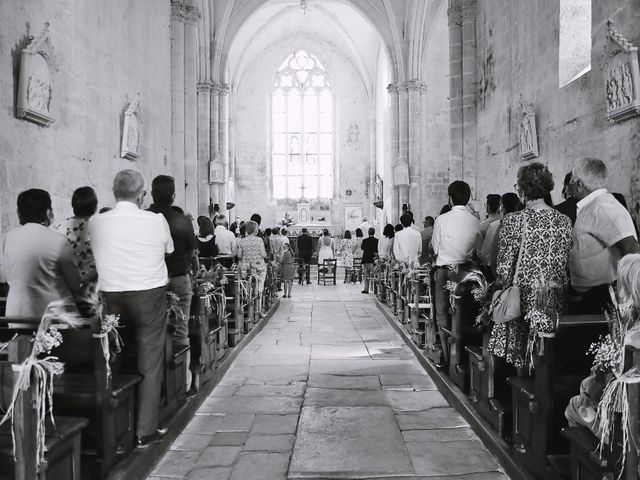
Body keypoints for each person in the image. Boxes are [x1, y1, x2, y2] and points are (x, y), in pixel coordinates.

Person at [90, 170, 174, 447]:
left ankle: (113, 430)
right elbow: (169, 249)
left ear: (114, 193)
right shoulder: (156, 220)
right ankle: (144, 430)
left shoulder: (97, 222)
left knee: (114, 356)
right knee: (149, 361)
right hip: (149, 294)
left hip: (111, 295)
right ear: (142, 195)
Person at [487, 163, 573, 369]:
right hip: (555, 298)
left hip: (524, 298)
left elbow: (504, 268)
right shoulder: (564, 220)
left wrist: (498, 290)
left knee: (524, 355)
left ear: (523, 189)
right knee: (549, 352)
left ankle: (525, 394)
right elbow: (568, 259)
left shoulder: (513, 220)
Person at [564, 253, 640, 439]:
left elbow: (601, 389)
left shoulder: (627, 338)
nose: (618, 290)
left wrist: (587, 393)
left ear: (630, 291)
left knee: (574, 407)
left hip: (628, 433)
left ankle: (602, 461)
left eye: (620, 285)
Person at [569, 158, 640, 313]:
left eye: (572, 180)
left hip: (604, 296)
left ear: (579, 184)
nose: (569, 185)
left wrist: (626, 295)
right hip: (593, 295)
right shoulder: (593, 206)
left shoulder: (603, 206)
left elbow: (632, 248)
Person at [148, 175, 198, 392]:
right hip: (178, 278)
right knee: (180, 327)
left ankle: (154, 382)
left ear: (151, 194)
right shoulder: (182, 221)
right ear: (174, 196)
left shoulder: (144, 218)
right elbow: (192, 251)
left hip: (151, 280)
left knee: (151, 328)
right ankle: (182, 383)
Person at [3, 189, 83, 317]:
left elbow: (10, 279)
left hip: (17, 315)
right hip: (54, 318)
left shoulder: (8, 238)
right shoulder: (59, 241)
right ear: (48, 212)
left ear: (19, 213)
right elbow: (75, 283)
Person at [431, 181, 480, 361]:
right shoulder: (476, 221)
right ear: (468, 198)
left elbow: (436, 248)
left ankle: (446, 354)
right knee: (466, 313)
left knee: (443, 313)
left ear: (450, 199)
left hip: (447, 271)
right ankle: (464, 354)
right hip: (469, 272)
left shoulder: (442, 219)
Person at [51, 186, 99, 297]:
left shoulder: (58, 228)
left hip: (66, 289)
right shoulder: (103, 227)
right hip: (94, 290)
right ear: (95, 206)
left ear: (73, 206)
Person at [481, 192, 521, 275]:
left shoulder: (495, 225)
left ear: (502, 207)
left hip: (497, 272)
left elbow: (487, 255)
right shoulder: (522, 224)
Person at [237, 220, 268, 316]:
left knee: (246, 285)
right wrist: (264, 254)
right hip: (258, 268)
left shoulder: (242, 241)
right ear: (254, 230)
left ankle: (246, 305)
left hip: (246, 268)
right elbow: (263, 254)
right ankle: (258, 309)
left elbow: (239, 256)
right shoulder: (259, 240)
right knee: (259, 286)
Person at [361, 227, 379, 294]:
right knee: (375, 275)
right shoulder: (377, 241)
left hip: (366, 260)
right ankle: (376, 289)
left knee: (366, 275)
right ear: (374, 233)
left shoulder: (365, 240)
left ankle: (366, 289)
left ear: (368, 233)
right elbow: (377, 250)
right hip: (373, 260)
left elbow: (362, 248)